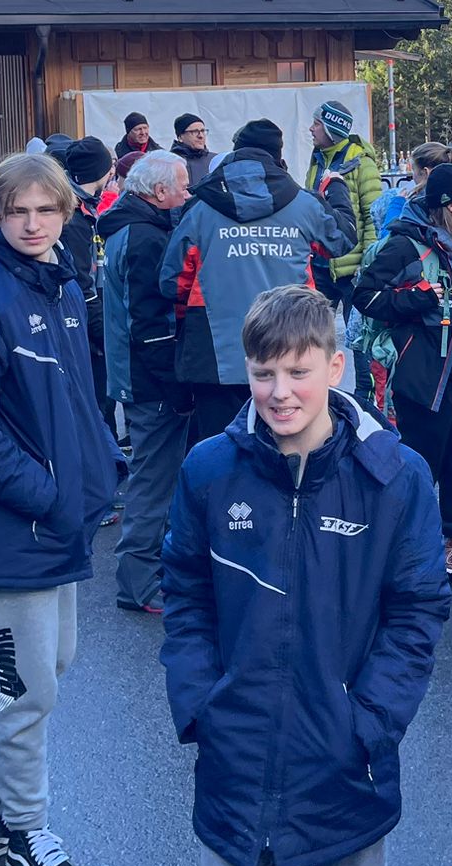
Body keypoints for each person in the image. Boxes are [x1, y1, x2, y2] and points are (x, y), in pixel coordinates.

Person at [161, 286, 448, 866]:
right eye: (264, 373)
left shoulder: (396, 478)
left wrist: (369, 722)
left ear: (336, 367)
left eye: (298, 371)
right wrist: (201, 702)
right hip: (237, 757)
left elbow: (416, 612)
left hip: (346, 760)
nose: (280, 392)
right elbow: (185, 590)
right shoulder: (209, 470)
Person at [0, 153, 124, 866]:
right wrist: (46, 495)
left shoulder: (61, 282)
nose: (33, 223)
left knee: (41, 672)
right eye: (19, 211)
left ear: (66, 213)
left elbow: (77, 398)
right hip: (16, 526)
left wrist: (99, 467)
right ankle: (25, 832)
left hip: (57, 518)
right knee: (26, 689)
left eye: (46, 210)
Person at [162, 121, 354, 445]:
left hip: (215, 358)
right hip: (294, 350)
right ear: (278, 157)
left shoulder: (200, 208)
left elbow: (172, 283)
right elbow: (342, 240)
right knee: (290, 451)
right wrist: (335, 188)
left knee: (222, 453)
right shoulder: (303, 203)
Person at [355, 163, 452, 583]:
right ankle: (408, 545)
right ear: (450, 205)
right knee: (420, 465)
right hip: (423, 372)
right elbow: (365, 296)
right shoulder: (404, 244)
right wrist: (415, 298)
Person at [100, 150, 191, 614]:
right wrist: (176, 387)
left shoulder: (129, 227)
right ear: (159, 192)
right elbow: (150, 325)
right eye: (182, 186)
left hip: (135, 374)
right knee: (153, 482)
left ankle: (148, 574)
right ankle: (138, 584)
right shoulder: (145, 238)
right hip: (148, 381)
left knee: (156, 477)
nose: (188, 194)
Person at [306, 100, 383, 399]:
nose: (311, 129)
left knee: (360, 341)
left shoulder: (361, 162)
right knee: (312, 337)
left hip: (354, 270)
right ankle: (315, 395)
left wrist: (369, 263)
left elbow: (373, 215)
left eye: (316, 123)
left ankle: (366, 401)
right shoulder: (317, 159)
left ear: (330, 127)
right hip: (321, 266)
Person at [59, 136, 118, 406]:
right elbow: (83, 284)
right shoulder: (74, 218)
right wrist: (102, 334)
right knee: (97, 401)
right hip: (86, 325)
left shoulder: (86, 208)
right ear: (99, 171)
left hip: (90, 318)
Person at [171, 112, 214, 186]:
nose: (200, 136)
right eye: (194, 132)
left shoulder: (215, 160)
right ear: (180, 137)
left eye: (203, 131)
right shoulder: (170, 163)